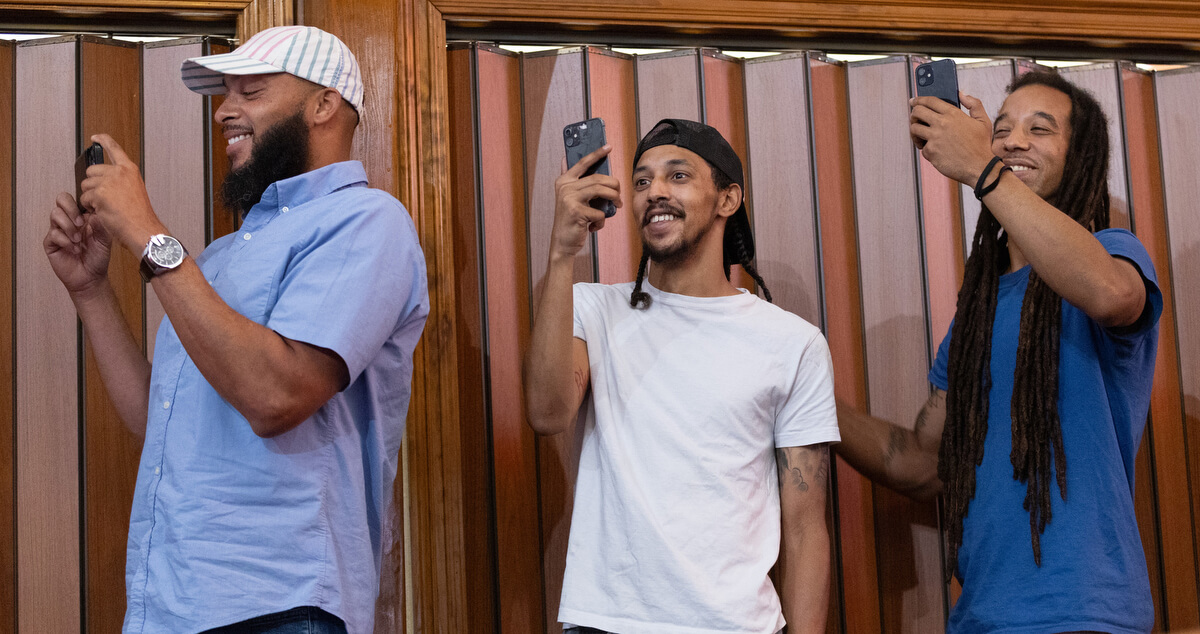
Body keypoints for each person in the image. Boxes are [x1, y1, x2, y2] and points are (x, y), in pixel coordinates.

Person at [43, 26, 428, 634]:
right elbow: (165, 421)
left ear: (324, 104)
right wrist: (90, 292)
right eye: (225, 94)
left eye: (251, 91)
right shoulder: (216, 259)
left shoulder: (367, 221)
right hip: (168, 605)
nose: (224, 111)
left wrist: (148, 237)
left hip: (281, 603)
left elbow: (277, 396)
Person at [836, 71, 1160, 633]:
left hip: (1084, 613)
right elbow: (921, 462)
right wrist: (803, 400)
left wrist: (984, 171)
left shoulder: (1114, 254)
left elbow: (1110, 295)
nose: (1014, 141)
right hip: (981, 618)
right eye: (1003, 129)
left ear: (1080, 157)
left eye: (1041, 129)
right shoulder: (976, 314)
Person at [524, 118, 840, 634]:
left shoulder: (793, 342)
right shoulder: (591, 309)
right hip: (607, 622)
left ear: (727, 199)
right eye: (643, 181)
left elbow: (806, 528)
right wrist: (562, 255)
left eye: (678, 176)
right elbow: (546, 412)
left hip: (737, 625)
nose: (655, 193)